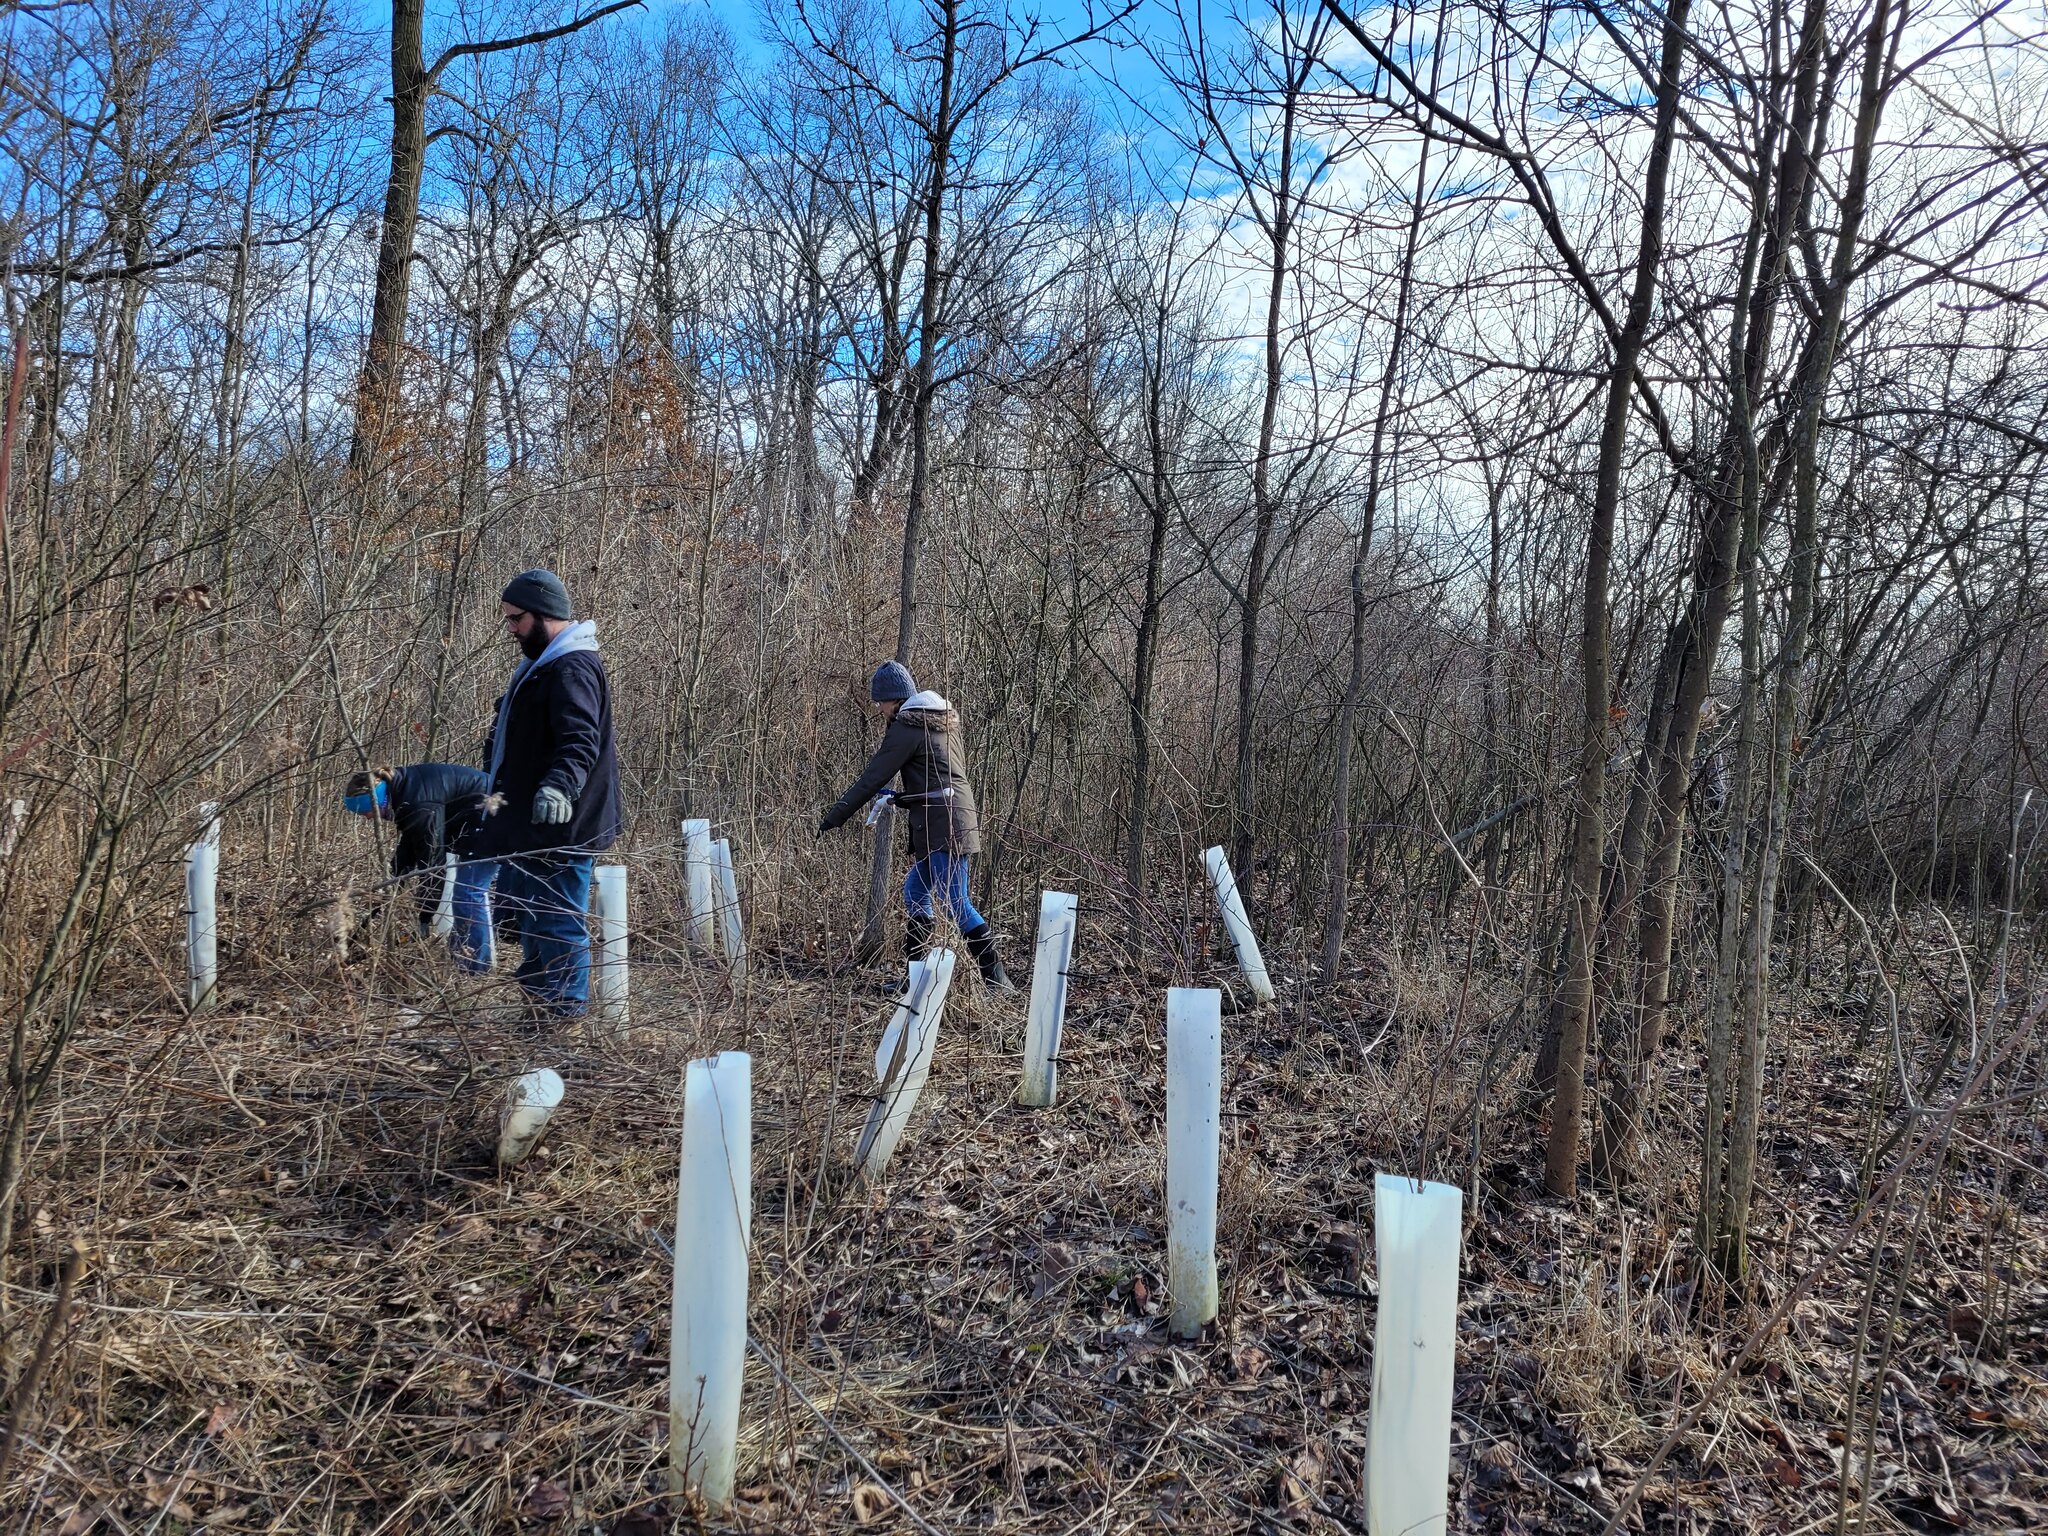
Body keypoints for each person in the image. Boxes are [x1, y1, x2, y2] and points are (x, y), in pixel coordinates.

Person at [471, 568, 622, 1019]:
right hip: (536, 826)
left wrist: (559, 785)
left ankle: (563, 1017)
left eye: (516, 619)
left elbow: (580, 738)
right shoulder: (544, 663)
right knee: (534, 919)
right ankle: (538, 1010)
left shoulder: (572, 666)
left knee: (558, 921)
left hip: (565, 824)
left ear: (544, 615)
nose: (511, 629)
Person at [819, 662, 1013, 990]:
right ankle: (916, 982)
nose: (878, 707)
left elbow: (874, 776)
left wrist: (837, 814)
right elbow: (939, 778)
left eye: (880, 700)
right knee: (915, 892)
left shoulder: (908, 727)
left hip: (944, 824)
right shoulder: (938, 723)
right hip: (947, 817)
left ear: (895, 699)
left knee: (956, 902)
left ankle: (997, 980)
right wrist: (905, 798)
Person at [343, 764, 498, 971]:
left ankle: (477, 967)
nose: (369, 818)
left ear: (378, 799)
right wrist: (395, 878)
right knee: (465, 891)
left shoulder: (418, 804)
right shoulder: (405, 791)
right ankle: (461, 953)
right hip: (475, 821)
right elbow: (410, 843)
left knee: (468, 892)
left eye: (367, 812)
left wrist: (425, 918)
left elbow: (432, 864)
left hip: (494, 819)